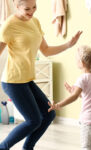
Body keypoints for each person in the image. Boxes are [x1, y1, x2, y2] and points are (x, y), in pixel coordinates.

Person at [0, 0, 82, 149]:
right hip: (13, 81)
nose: (32, 12)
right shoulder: (9, 25)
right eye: (27, 9)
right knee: (33, 120)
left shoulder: (34, 22)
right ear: (16, 6)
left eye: (34, 7)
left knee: (49, 114)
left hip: (27, 79)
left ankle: (28, 147)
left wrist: (68, 45)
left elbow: (46, 50)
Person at [48, 45, 91, 150]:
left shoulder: (82, 78)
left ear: (81, 63)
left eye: (76, 59)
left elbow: (74, 97)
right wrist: (74, 91)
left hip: (89, 121)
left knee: (86, 147)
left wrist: (58, 105)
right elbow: (89, 96)